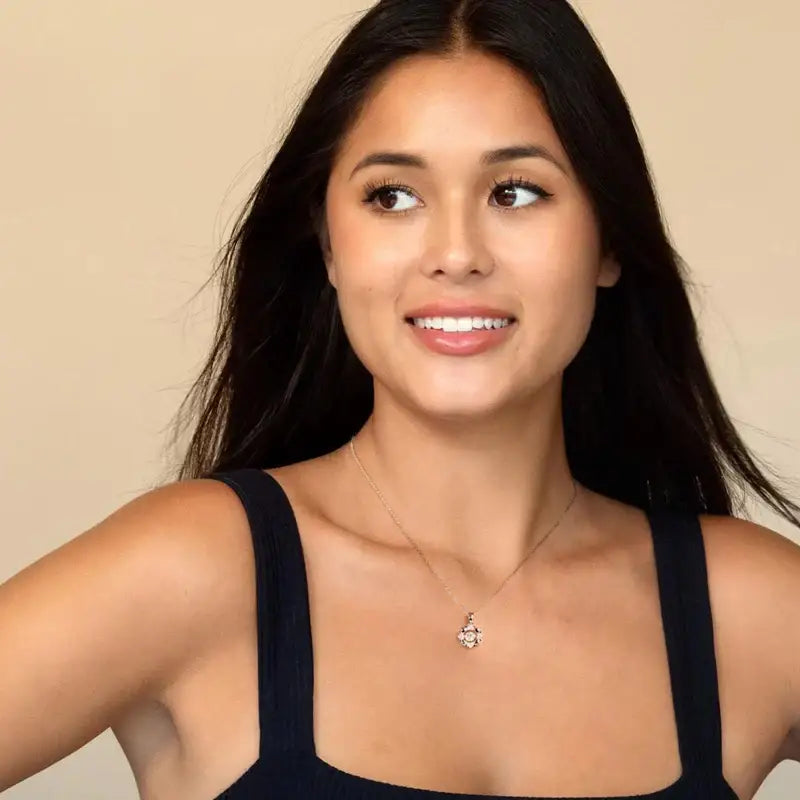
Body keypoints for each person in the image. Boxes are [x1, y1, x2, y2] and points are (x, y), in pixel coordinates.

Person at [2, 0, 799, 797]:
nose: (455, 254)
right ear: (328, 244)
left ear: (610, 241)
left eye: (516, 193)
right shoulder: (193, 571)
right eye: (392, 196)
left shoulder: (752, 614)